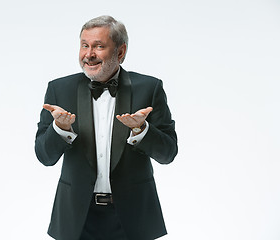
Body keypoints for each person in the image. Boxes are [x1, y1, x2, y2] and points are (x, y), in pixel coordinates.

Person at [35, 15, 178, 240]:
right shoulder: (59, 90)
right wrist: (60, 130)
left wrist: (142, 131)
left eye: (98, 46)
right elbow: (44, 156)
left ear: (120, 52)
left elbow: (168, 153)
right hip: (77, 219)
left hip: (134, 217)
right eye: (84, 45)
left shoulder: (149, 88)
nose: (89, 54)